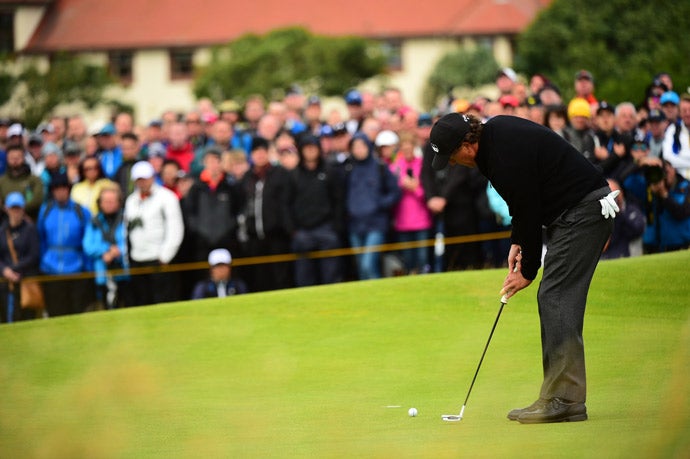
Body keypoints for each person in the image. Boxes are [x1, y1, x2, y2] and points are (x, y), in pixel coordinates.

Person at [429, 112, 616, 424]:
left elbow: (529, 207)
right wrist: (518, 240)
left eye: (450, 157)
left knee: (555, 297)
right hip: (575, 211)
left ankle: (563, 399)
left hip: (582, 212)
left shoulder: (500, 153)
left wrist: (527, 270)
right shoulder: (495, 138)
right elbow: (522, 201)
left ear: (467, 145)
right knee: (555, 296)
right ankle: (560, 397)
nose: (451, 163)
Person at [124, 161, 184, 305]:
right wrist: (128, 257)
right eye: (139, 180)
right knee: (142, 302)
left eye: (145, 178)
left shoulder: (167, 197)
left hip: (158, 259)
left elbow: (175, 229)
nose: (142, 183)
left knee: (162, 301)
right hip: (137, 259)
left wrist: (165, 256)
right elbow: (127, 229)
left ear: (152, 177)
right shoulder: (131, 201)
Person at [288, 134, 344, 287]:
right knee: (304, 277)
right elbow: (287, 204)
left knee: (331, 276)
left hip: (326, 229)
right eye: (307, 148)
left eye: (313, 148)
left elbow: (338, 200)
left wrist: (336, 226)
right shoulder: (294, 175)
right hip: (302, 231)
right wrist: (293, 230)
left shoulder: (329, 172)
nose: (311, 151)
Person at [343, 132, 401, 280]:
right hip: (355, 225)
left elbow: (395, 192)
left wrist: (380, 204)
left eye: (361, 146)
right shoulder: (348, 168)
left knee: (367, 264)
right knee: (361, 267)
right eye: (355, 147)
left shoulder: (379, 166)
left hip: (375, 224)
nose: (359, 150)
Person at [36, 174, 93, 316]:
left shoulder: (81, 211)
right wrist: (44, 260)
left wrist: (86, 266)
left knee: (76, 309)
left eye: (63, 189)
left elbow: (88, 238)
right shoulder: (46, 210)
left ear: (68, 190)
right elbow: (40, 237)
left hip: (76, 268)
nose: (60, 192)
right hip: (51, 268)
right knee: (56, 310)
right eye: (56, 189)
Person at [83, 185, 133, 309]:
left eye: (112, 201)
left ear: (119, 202)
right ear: (100, 203)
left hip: (124, 272)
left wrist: (118, 250)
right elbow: (88, 245)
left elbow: (131, 239)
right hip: (102, 273)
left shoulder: (126, 218)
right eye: (106, 201)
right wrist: (107, 250)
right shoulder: (94, 221)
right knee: (105, 307)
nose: (109, 204)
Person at [0, 192, 41, 323]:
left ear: (23, 209)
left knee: (28, 317)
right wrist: (5, 271)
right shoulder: (2, 230)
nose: (16, 212)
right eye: (13, 208)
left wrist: (15, 269)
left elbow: (34, 255)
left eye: (18, 208)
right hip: (7, 283)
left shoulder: (30, 229)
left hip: (26, 279)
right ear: (7, 209)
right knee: (9, 317)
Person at [601, 178, 645, 260]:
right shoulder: (601, 215)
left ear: (621, 193)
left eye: (614, 194)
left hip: (627, 256)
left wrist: (619, 212)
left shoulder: (631, 210)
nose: (612, 199)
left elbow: (637, 230)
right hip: (605, 257)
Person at [0, 143, 44, 221]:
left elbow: (38, 200)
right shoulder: (2, 181)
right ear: (7, 159)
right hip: (5, 223)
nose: (15, 160)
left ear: (23, 158)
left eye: (18, 157)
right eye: (12, 157)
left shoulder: (34, 180)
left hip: (29, 222)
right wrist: (11, 211)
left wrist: (19, 211)